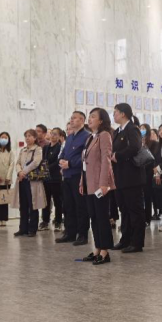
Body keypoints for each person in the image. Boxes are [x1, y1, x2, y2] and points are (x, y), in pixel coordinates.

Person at [81, 108, 116, 265]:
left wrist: (103, 184)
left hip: (100, 184)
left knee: (102, 217)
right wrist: (82, 182)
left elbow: (106, 161)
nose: (90, 119)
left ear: (101, 121)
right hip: (89, 182)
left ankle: (105, 251)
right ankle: (97, 248)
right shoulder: (90, 137)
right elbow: (85, 163)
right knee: (93, 217)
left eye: (93, 117)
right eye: (89, 116)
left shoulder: (104, 135)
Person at [111, 103, 147, 253]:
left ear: (123, 114)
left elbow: (135, 147)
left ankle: (136, 242)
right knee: (124, 210)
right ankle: (125, 239)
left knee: (135, 210)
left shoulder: (132, 129)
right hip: (120, 176)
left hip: (132, 177)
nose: (114, 115)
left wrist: (117, 155)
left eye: (115, 112)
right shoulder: (118, 131)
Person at [57, 112, 90, 245]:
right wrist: (61, 161)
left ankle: (82, 235)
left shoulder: (87, 136)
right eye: (71, 118)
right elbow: (63, 153)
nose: (71, 120)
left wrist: (70, 163)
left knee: (80, 206)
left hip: (78, 175)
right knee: (68, 205)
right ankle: (70, 233)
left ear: (82, 120)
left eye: (74, 118)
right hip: (67, 176)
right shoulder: (70, 137)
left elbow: (86, 156)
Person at [12, 129, 46, 237]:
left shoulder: (38, 149)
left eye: (30, 136)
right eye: (26, 136)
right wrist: (19, 172)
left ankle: (32, 229)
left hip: (32, 181)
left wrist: (24, 172)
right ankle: (23, 228)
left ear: (35, 138)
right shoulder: (23, 150)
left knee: (33, 205)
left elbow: (36, 163)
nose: (27, 138)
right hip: (22, 180)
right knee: (23, 205)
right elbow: (17, 163)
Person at [40, 128, 64, 231]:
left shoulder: (60, 148)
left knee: (57, 201)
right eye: (52, 134)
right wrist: (43, 169)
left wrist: (47, 168)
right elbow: (43, 160)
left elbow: (58, 162)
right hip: (46, 178)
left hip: (56, 178)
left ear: (59, 136)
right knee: (46, 201)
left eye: (55, 134)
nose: (53, 136)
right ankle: (45, 221)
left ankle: (58, 221)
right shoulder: (46, 147)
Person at [0, 132, 15, 227]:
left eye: (6, 138)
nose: (4, 139)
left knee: (4, 200)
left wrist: (8, 177)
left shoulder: (10, 152)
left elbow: (12, 164)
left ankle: (4, 218)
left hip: (6, 180)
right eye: (2, 137)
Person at [140, 123, 158, 225]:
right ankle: (141, 217)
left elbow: (153, 157)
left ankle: (147, 218)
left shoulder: (153, 143)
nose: (141, 130)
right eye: (140, 128)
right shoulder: (137, 141)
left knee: (147, 196)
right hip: (139, 172)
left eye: (143, 128)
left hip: (149, 172)